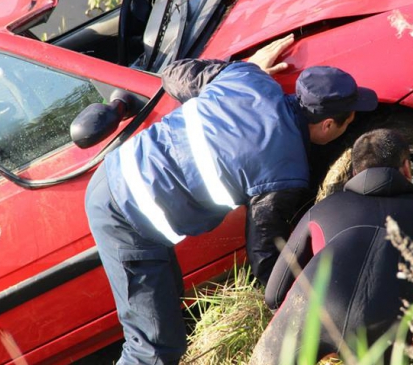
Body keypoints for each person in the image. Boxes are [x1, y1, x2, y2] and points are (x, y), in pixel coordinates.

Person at [84, 34, 378, 365]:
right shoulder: (285, 171)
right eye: (349, 119)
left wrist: (243, 67)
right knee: (153, 348)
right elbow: (265, 254)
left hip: (114, 174)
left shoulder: (247, 77)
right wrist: (303, 313)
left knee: (165, 313)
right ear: (327, 125)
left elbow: (173, 73)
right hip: (126, 216)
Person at [249, 128, 413, 364]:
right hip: (388, 325)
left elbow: (273, 294)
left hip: (313, 312)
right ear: (407, 168)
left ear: (354, 171)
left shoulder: (323, 210)